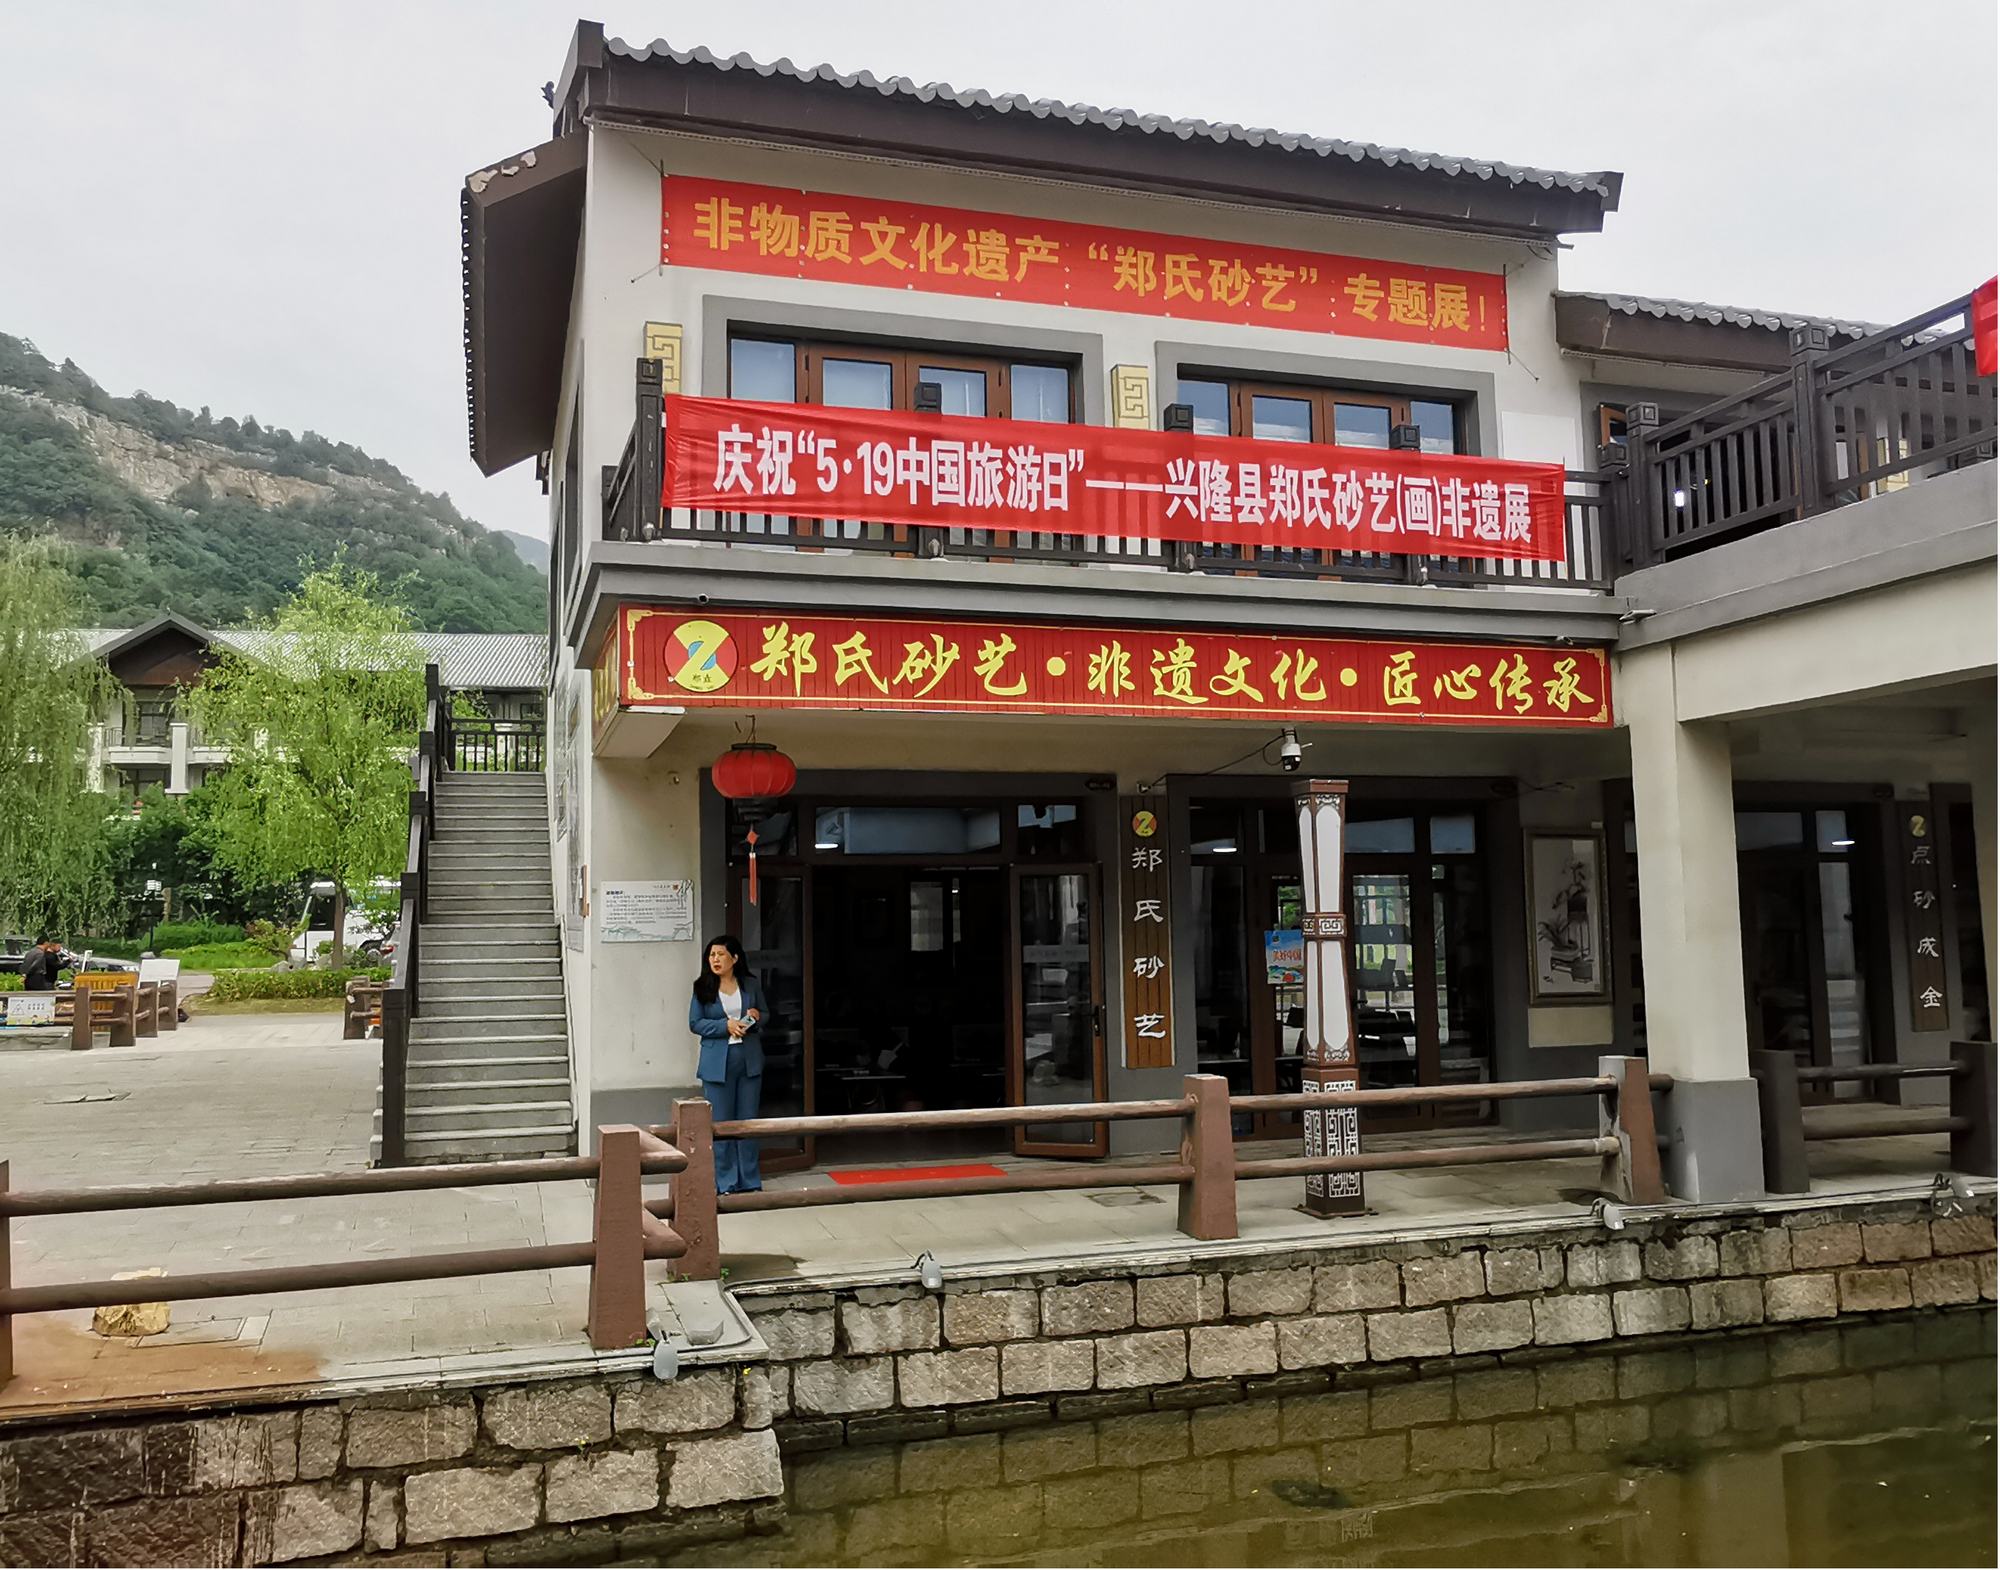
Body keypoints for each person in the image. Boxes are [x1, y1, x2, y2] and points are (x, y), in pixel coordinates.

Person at [687, 934, 767, 1195]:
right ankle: (726, 1181)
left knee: (748, 1122)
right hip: (717, 1063)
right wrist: (725, 1026)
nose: (715, 959)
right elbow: (695, 1023)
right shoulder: (702, 987)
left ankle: (750, 1180)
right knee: (721, 1123)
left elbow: (766, 1014)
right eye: (712, 955)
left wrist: (756, 1017)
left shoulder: (750, 985)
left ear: (735, 958)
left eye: (721, 954)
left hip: (748, 1059)